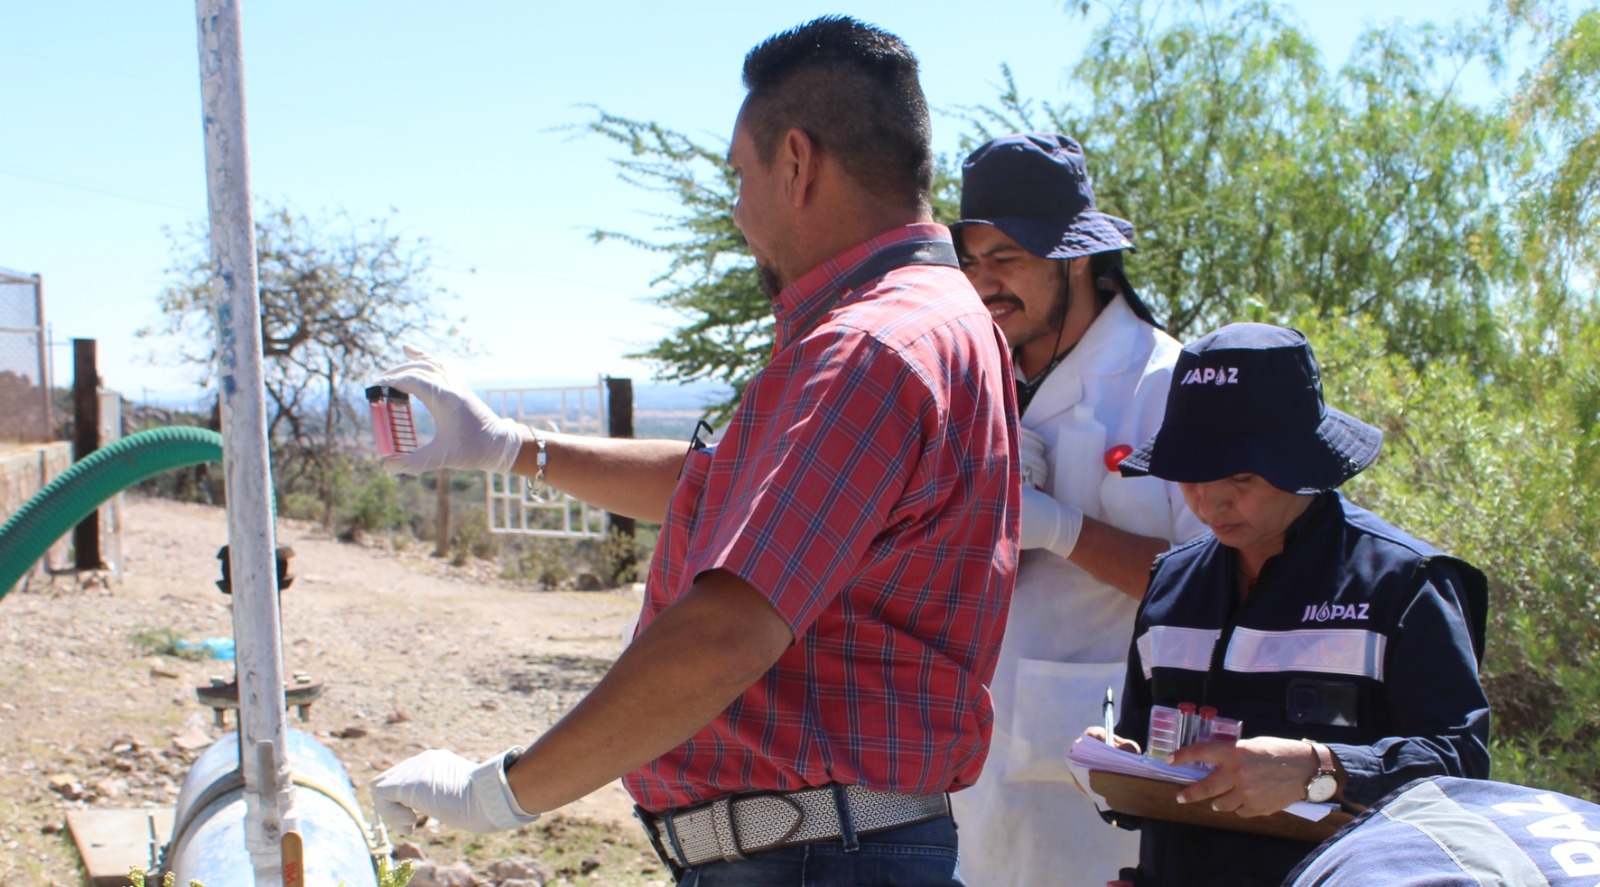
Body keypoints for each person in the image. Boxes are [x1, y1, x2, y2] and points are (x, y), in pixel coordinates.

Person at [366, 16, 1019, 887]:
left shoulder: (868, 345)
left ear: (797, 161)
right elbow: (727, 495)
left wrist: (502, 794)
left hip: (815, 860)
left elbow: (725, 629)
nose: (740, 211)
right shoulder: (930, 323)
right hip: (832, 847)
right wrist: (511, 447)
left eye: (740, 178)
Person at [1091, 322, 1490, 887]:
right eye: (1190, 477)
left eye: (1241, 475)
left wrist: (1319, 769)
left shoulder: (1403, 582)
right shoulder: (1172, 583)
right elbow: (1147, 768)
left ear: (1304, 463)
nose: (1211, 503)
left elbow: (1462, 763)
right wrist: (1117, 767)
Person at [947, 132, 1204, 887]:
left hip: (1107, 795)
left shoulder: (1166, 384)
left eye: (1009, 259)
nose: (985, 283)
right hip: (970, 788)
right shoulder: (972, 383)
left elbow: (1227, 591)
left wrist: (1059, 527)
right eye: (972, 260)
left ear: (1078, 257)